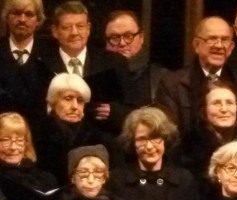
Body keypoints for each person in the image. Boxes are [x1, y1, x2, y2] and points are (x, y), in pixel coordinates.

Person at [40, 1, 131, 132]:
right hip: (55, 139)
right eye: (67, 27)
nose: (74, 32)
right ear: (55, 31)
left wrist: (114, 112)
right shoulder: (41, 64)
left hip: (102, 139)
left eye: (80, 26)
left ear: (88, 29)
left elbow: (132, 108)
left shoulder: (114, 62)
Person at [155, 16, 237, 135]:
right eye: (212, 39)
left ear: (231, 48)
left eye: (225, 40)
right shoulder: (171, 85)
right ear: (196, 45)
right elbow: (169, 136)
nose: (219, 46)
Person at [35, 73, 117, 184]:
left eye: (80, 100)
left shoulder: (98, 138)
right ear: (54, 102)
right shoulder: (39, 135)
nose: (75, 106)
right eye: (68, 99)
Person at [0, 111, 58, 200]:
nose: (13, 147)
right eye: (5, 140)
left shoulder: (46, 179)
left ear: (27, 143)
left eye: (19, 140)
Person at [0, 0, 52, 134]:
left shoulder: (52, 54)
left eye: (29, 14)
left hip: (42, 137)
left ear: (38, 20)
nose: (22, 19)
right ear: (6, 17)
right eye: (16, 13)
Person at [104, 10, 168, 107]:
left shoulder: (161, 78)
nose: (122, 43)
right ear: (106, 43)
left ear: (141, 37)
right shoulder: (95, 76)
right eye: (114, 37)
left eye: (128, 36)